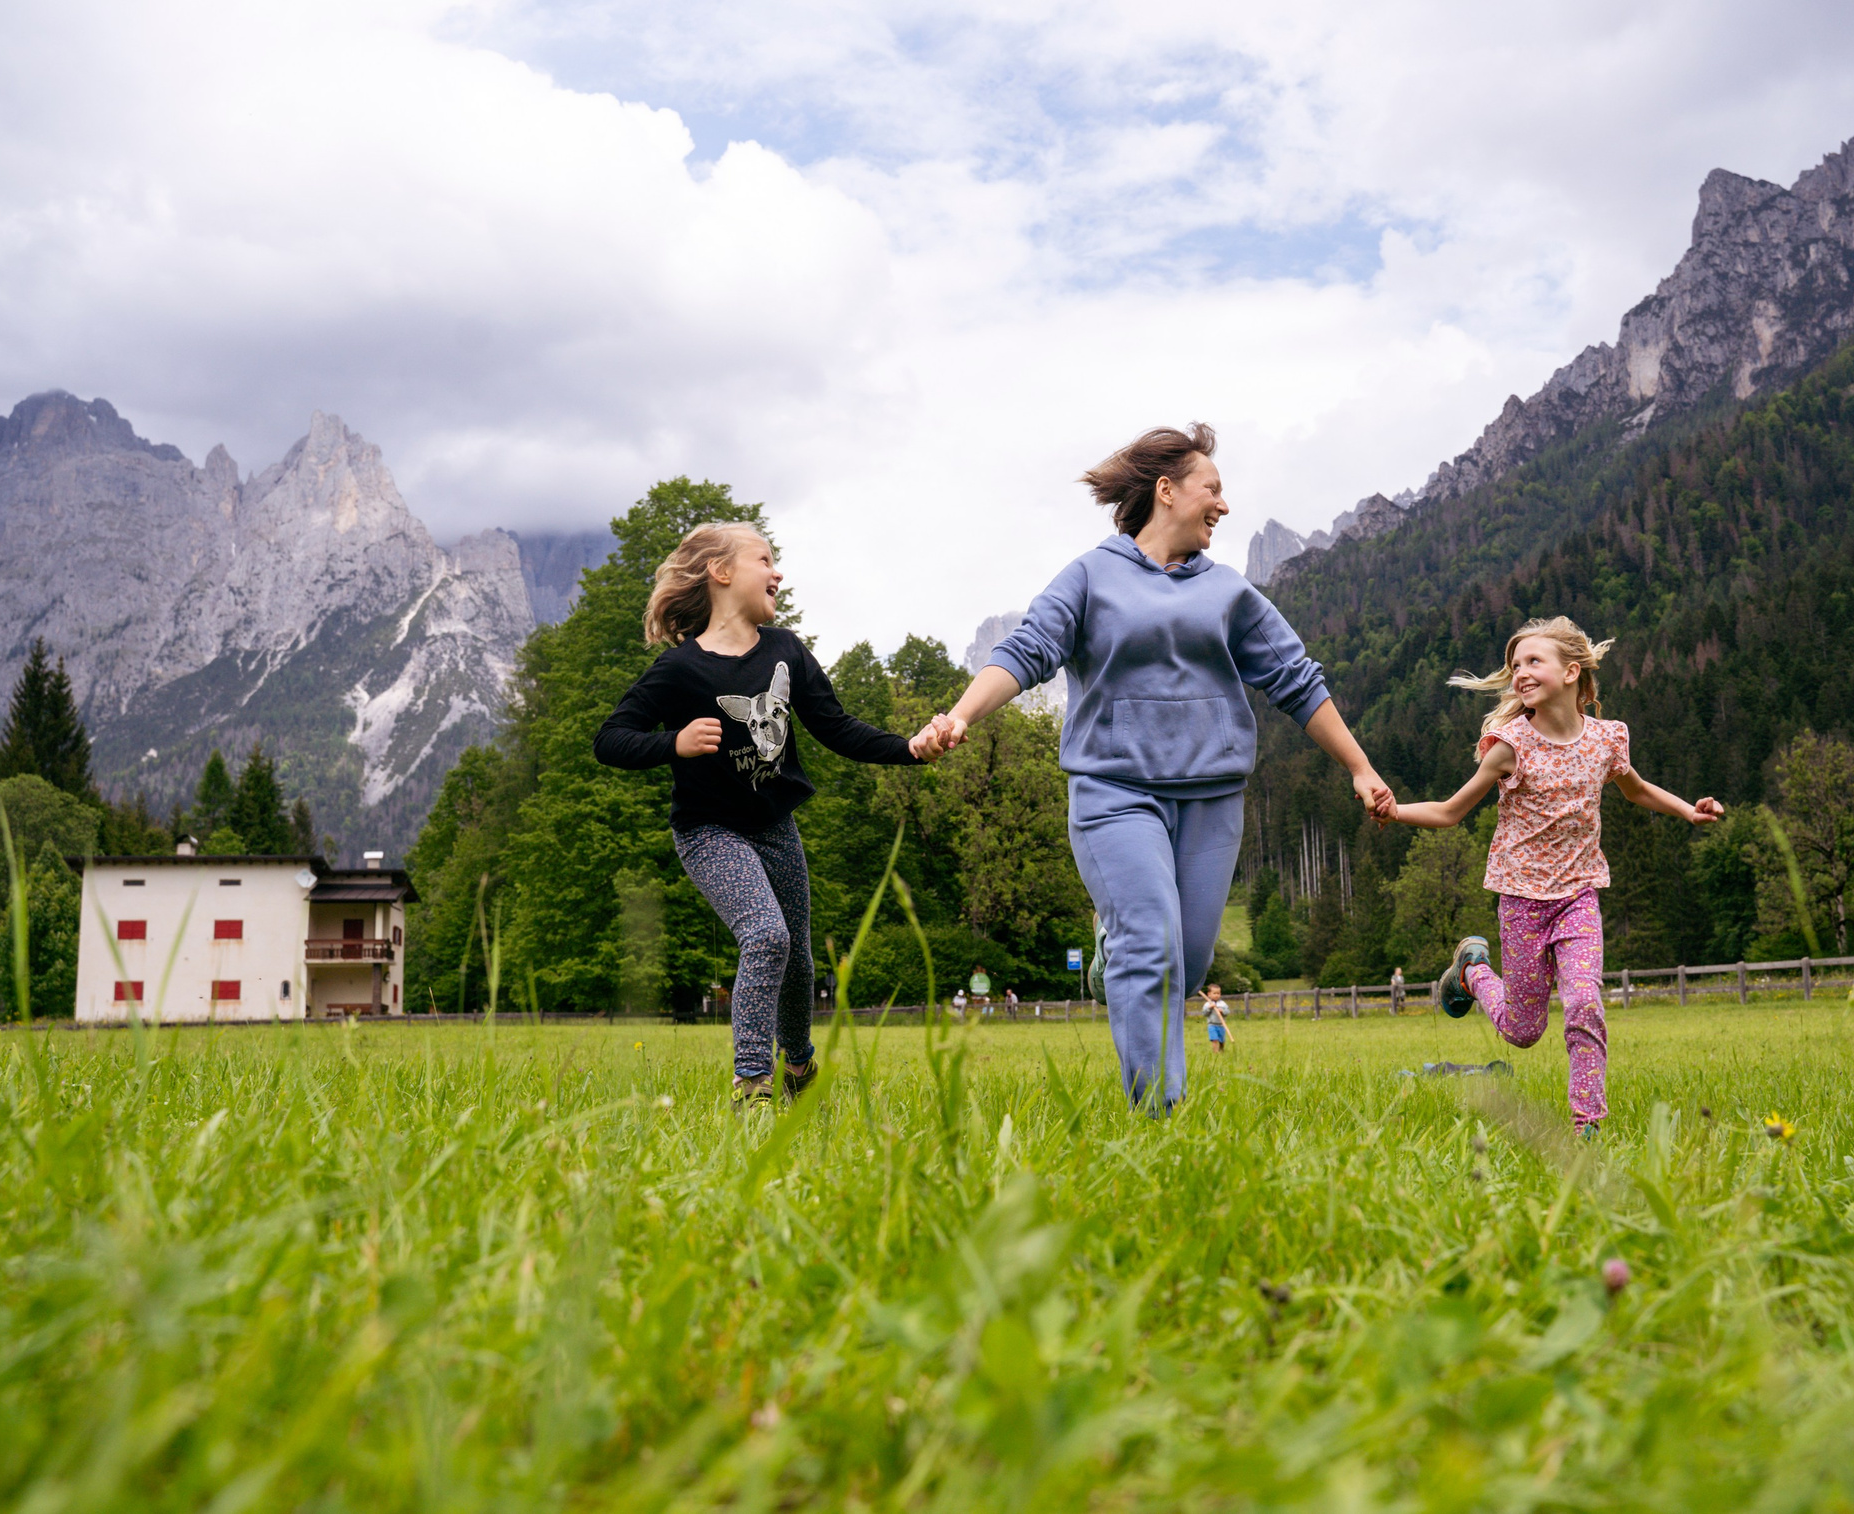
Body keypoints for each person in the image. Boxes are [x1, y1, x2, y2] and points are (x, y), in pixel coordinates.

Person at [928, 422, 1392, 1111]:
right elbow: (1027, 650)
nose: (1224, 506)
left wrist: (1359, 766)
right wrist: (962, 715)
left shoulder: (1229, 594)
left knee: (1189, 960)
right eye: (1214, 489)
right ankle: (1157, 1116)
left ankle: (1119, 955)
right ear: (1167, 491)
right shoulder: (1091, 575)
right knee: (1153, 943)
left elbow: (1296, 679)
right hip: (1113, 791)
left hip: (1210, 797)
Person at [594, 522, 944, 1112]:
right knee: (766, 935)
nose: (778, 572)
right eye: (766, 559)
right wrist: (672, 743)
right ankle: (752, 1083)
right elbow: (610, 739)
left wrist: (908, 747)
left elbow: (837, 728)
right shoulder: (679, 670)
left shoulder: (784, 651)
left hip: (775, 828)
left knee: (799, 961)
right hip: (709, 832)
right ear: (721, 572)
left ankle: (800, 1064)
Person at [1382, 616, 1721, 1137]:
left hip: (1579, 896)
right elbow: (1451, 812)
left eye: (1533, 661)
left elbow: (1636, 789)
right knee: (1523, 1032)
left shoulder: (1607, 740)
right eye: (1514, 665)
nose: (1520, 672)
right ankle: (1472, 972)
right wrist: (1394, 811)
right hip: (1521, 901)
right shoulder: (1510, 746)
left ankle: (1589, 1125)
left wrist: (1687, 811)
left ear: (1571, 672)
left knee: (1584, 1002)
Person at [1201, 983, 1232, 1053]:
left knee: (1221, 1040)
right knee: (1214, 1039)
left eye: (1218, 993)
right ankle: (1215, 1053)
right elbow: (1204, 1013)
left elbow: (1227, 1012)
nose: (1216, 995)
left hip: (1221, 1025)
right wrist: (1209, 1008)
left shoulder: (1223, 1004)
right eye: (1214, 993)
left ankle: (1221, 1050)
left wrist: (1223, 1011)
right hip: (1212, 1025)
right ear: (1209, 994)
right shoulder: (1207, 1004)